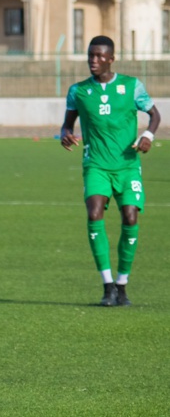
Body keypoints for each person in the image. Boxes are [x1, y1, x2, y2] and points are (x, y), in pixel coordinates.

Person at [60, 35, 161, 306]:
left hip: (128, 166)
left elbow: (155, 115)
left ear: (111, 58)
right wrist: (65, 134)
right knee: (94, 213)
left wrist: (148, 136)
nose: (93, 60)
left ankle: (122, 284)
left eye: (99, 56)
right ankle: (107, 286)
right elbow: (67, 125)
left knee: (130, 218)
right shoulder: (78, 91)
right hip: (96, 165)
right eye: (90, 55)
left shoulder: (131, 86)